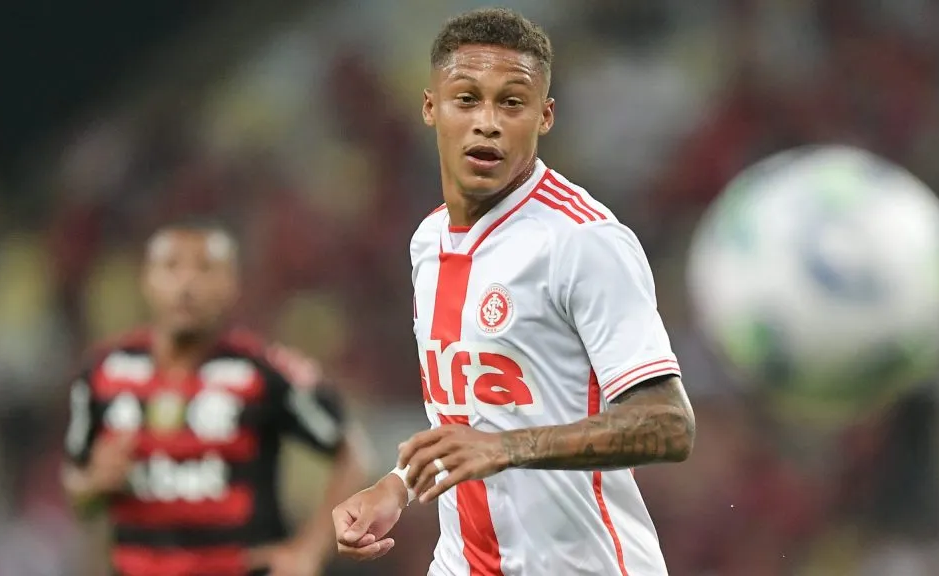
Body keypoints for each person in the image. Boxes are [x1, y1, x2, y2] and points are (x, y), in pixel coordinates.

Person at [331, 7, 696, 576]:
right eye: (467, 99)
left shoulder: (583, 241)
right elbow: (468, 412)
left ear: (543, 116)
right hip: (463, 564)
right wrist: (397, 488)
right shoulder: (429, 241)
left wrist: (508, 448)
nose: (488, 123)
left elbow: (670, 424)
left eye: (511, 102)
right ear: (431, 107)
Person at [61, 219, 369, 576]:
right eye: (172, 266)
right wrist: (95, 483)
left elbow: (353, 454)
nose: (187, 284)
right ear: (146, 280)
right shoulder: (101, 373)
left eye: (205, 268)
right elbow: (76, 488)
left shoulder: (265, 373)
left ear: (231, 285)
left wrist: (308, 551)